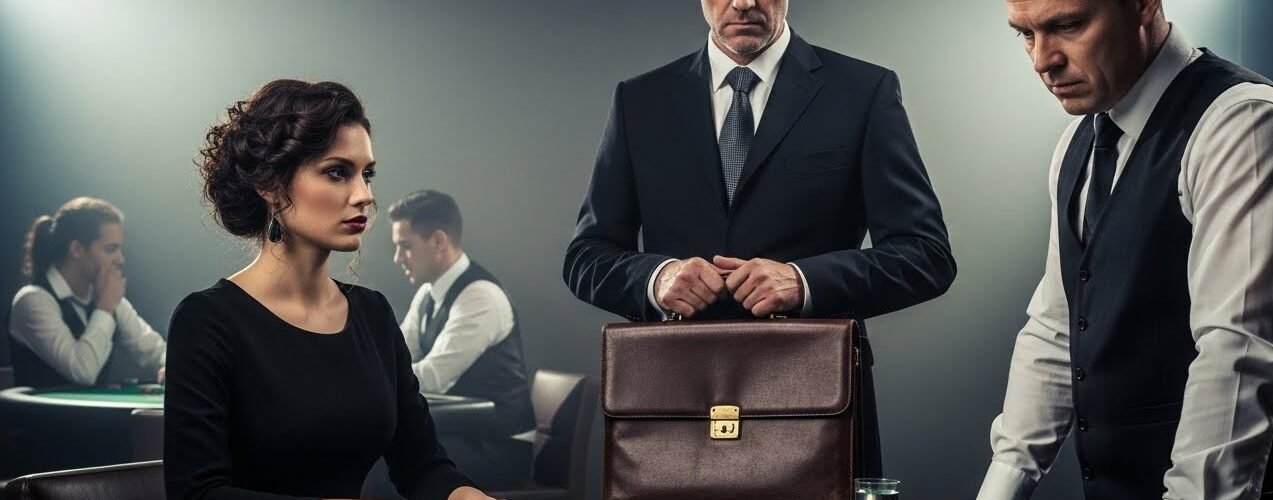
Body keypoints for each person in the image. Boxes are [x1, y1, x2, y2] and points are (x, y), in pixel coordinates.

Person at [562, 0, 956, 475]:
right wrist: (657, 278)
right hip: (671, 402)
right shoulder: (639, 99)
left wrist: (804, 282)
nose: (744, 2)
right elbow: (586, 256)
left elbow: (926, 255)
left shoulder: (863, 90)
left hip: (815, 400)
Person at [978, 1, 1273, 499]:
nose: (1042, 59)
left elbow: (1239, 354)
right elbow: (1058, 328)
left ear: (1145, 4)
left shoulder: (1245, 126)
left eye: (1067, 25)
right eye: (1025, 34)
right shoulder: (1078, 143)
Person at [164, 79, 496, 500]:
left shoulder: (373, 313)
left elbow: (423, 464)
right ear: (269, 184)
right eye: (337, 172)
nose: (364, 196)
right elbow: (197, 493)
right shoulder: (207, 320)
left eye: (367, 174)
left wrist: (467, 496)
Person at [388, 189, 534, 489]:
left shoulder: (480, 297)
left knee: (390, 458)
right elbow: (399, 357)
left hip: (498, 450)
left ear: (439, 241)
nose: (397, 257)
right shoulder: (428, 294)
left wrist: (365, 378)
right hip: (459, 436)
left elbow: (432, 378)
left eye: (405, 246)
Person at [8, 196, 165, 388]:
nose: (120, 259)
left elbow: (155, 351)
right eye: (110, 249)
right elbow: (83, 372)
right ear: (76, 249)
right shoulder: (31, 300)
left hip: (92, 418)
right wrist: (105, 307)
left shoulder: (107, 297)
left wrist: (170, 366)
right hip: (43, 417)